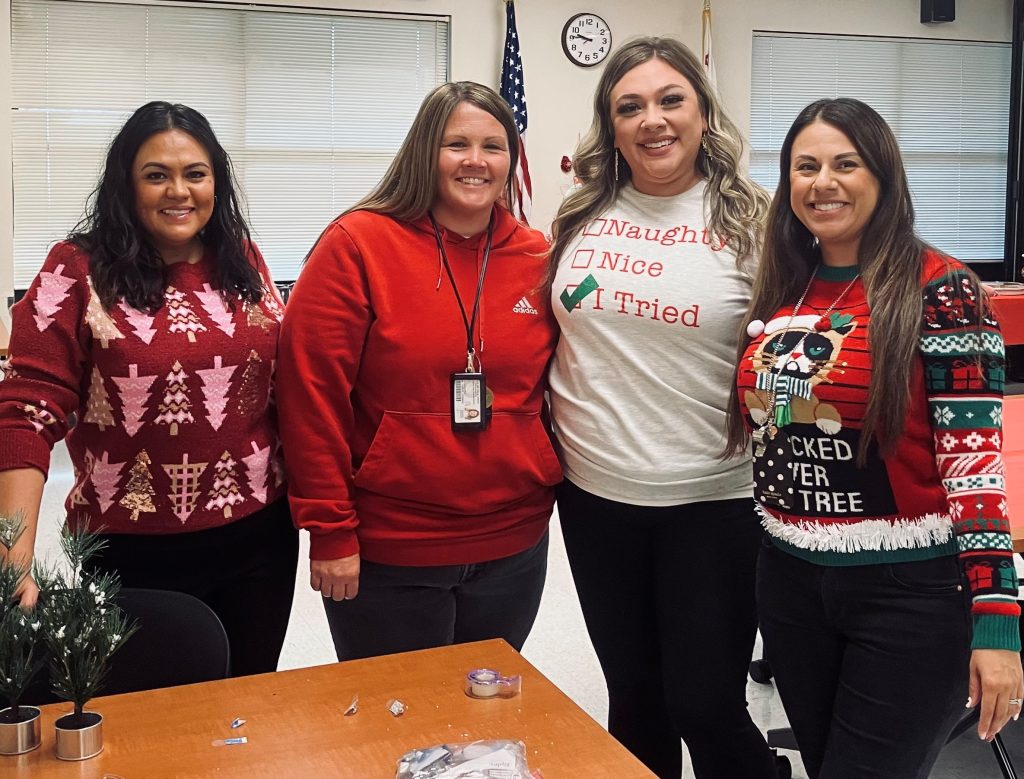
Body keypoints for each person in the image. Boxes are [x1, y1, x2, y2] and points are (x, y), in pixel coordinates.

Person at [728, 97, 1024, 778]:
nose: (822, 181)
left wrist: (998, 623)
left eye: (844, 163)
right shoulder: (785, 288)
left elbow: (974, 473)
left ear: (882, 175)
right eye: (805, 166)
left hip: (909, 594)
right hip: (790, 581)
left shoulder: (943, 290)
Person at [0, 101, 297, 677]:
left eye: (195, 173)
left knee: (249, 707)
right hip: (131, 548)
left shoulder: (243, 260)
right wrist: (14, 561)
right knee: (152, 723)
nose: (178, 191)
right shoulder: (76, 270)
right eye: (156, 175)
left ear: (217, 182)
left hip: (261, 539)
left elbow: (283, 387)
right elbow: (26, 411)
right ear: (125, 185)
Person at [547, 37, 775, 779]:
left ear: (704, 113)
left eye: (671, 98)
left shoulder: (756, 223)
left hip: (713, 499)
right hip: (593, 496)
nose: (653, 119)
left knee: (706, 705)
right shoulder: (581, 213)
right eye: (630, 105)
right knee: (634, 700)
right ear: (610, 126)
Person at [276, 82, 559, 661]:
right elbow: (310, 397)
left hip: (513, 542)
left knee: (486, 716)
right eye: (457, 143)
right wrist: (330, 529)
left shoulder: (538, 255)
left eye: (494, 146)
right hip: (391, 548)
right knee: (396, 729)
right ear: (424, 151)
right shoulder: (357, 244)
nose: (476, 161)